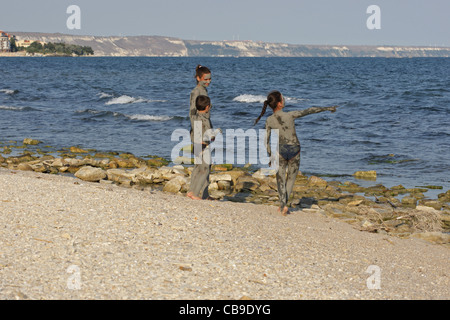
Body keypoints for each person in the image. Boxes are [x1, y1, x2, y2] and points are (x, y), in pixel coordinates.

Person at [254, 91, 338, 216]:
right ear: (280, 103)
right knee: (290, 180)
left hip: (281, 150)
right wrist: (327, 108)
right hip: (295, 149)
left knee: (280, 180)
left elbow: (266, 140)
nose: (285, 100)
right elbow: (310, 110)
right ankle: (284, 206)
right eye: (283, 98)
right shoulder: (290, 115)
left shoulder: (269, 120)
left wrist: (270, 155)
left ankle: (282, 205)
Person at [187, 95, 221, 200]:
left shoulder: (195, 117)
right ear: (207, 107)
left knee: (198, 169)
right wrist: (217, 132)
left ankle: (191, 191)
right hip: (203, 147)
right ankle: (195, 194)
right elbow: (209, 135)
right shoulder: (204, 119)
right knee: (205, 170)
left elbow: (194, 133)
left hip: (197, 146)